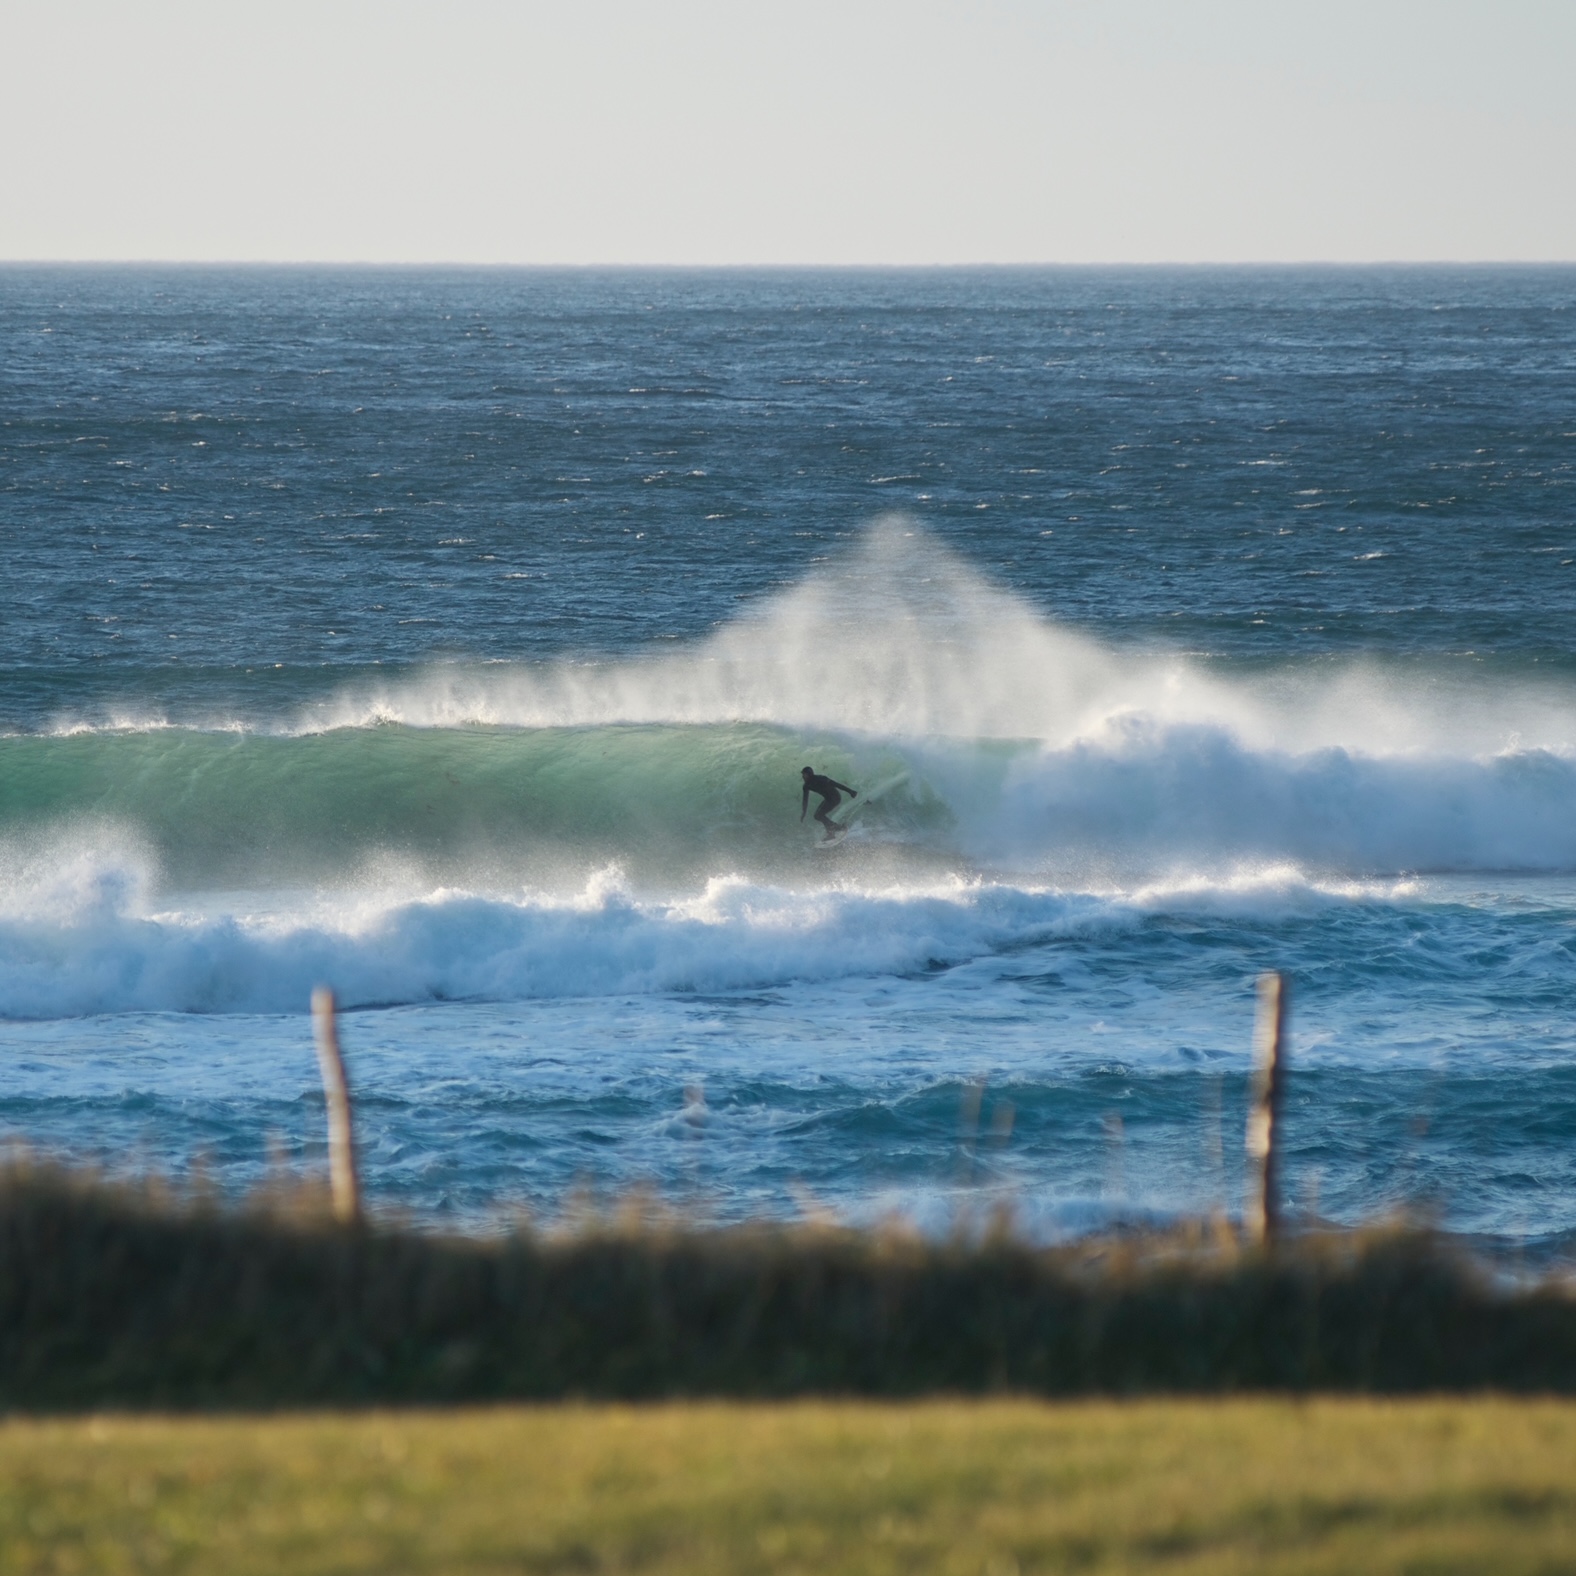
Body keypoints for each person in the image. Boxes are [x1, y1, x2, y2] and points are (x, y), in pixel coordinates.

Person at [800, 766, 858, 841]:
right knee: (818, 816)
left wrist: (850, 791)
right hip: (828, 799)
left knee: (818, 815)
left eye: (804, 774)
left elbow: (836, 784)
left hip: (835, 798)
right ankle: (835, 829)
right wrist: (804, 812)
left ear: (809, 774)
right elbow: (805, 800)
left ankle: (834, 830)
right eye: (803, 774)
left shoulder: (821, 778)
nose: (803, 776)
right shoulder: (806, 786)